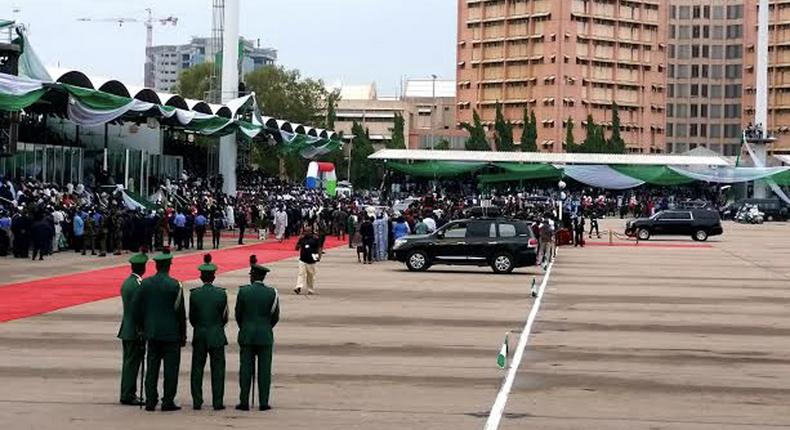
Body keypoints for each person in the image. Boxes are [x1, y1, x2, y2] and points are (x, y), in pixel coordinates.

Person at [134, 247, 187, 412]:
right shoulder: (175, 285)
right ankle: (167, 400)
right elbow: (180, 313)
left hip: (152, 332)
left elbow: (136, 308)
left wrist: (141, 328)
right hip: (171, 334)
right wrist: (183, 334)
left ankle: (150, 400)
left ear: (156, 266)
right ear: (169, 266)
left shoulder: (146, 284)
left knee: (152, 368)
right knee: (171, 370)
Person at [235, 256, 280, 411]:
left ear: (253, 276)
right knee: (264, 370)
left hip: (247, 333)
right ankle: (263, 402)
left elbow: (238, 315)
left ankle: (244, 401)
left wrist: (245, 326)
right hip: (265, 334)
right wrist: (266, 327)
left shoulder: (243, 292)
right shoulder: (272, 293)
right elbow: (275, 317)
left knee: (245, 369)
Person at [189, 254, 228, 411]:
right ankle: (217, 401)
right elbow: (225, 317)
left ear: (201, 276)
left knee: (197, 369)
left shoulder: (194, 294)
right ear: (213, 276)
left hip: (200, 334)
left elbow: (192, 317)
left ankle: (197, 401)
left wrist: (199, 327)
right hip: (216, 334)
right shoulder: (221, 294)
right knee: (218, 370)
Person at [117, 250, 148, 406]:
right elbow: (139, 310)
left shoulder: (127, 283)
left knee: (128, 362)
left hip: (127, 328)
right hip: (135, 330)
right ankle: (128, 394)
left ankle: (126, 392)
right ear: (142, 268)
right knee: (132, 364)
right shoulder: (138, 285)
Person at [293, 226, 321, 295]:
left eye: (308, 231)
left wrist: (319, 257)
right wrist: (298, 244)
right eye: (305, 231)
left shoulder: (315, 239)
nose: (306, 232)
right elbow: (296, 248)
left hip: (311, 260)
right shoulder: (302, 239)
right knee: (301, 274)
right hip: (302, 259)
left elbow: (319, 248)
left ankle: (310, 289)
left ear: (311, 231)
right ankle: (298, 287)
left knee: (310, 276)